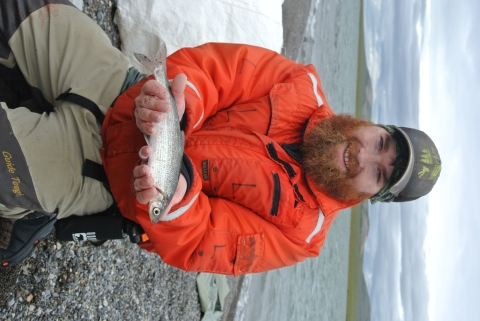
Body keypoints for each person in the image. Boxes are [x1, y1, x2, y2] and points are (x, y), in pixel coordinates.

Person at [0, 0, 442, 274]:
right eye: (382, 143)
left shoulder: (300, 237)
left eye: (379, 174)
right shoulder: (299, 84)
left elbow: (207, 242)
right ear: (375, 126)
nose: (364, 156)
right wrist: (178, 96)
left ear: (371, 196)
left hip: (102, 178)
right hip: (117, 86)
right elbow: (217, 73)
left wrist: (177, 203)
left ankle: (36, 206)